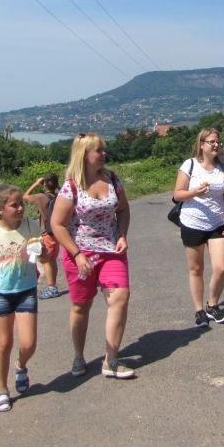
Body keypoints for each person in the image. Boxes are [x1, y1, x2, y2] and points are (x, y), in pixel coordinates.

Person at [50, 133, 134, 379]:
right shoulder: (71, 187)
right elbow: (57, 225)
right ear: (85, 154)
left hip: (111, 251)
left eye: (104, 149)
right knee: (81, 306)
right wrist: (76, 254)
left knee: (120, 298)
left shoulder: (113, 179)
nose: (104, 153)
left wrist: (122, 235)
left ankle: (111, 360)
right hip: (81, 254)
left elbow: (124, 208)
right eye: (99, 150)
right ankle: (79, 355)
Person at [0, 185, 46, 412]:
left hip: (26, 289)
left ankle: (21, 366)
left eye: (21, 203)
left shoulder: (31, 226)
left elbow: (44, 255)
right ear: (0, 209)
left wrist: (41, 250)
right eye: (14, 205)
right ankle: (2, 389)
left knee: (28, 343)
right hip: (0, 293)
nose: (20, 208)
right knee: (4, 343)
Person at [173, 127, 224, 327]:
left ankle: (213, 305)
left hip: (217, 224)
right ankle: (199, 310)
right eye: (212, 142)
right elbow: (177, 194)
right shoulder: (190, 165)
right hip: (193, 223)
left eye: (218, 142)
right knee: (196, 269)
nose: (216, 145)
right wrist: (195, 192)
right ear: (202, 144)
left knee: (221, 267)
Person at [24, 173, 62, 299]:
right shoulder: (60, 196)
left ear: (44, 184)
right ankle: (53, 285)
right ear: (56, 185)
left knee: (46, 260)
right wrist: (59, 187)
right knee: (53, 260)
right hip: (58, 233)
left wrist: (35, 184)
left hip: (46, 233)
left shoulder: (40, 197)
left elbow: (25, 196)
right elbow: (69, 197)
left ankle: (52, 288)